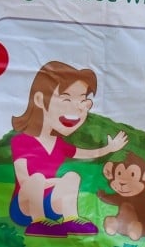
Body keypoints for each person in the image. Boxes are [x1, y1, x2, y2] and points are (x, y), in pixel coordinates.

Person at [9, 61, 128, 237]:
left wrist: (110, 148)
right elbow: (25, 181)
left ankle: (70, 219)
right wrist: (53, 182)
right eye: (66, 99)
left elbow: (87, 154)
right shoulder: (21, 141)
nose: (77, 108)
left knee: (72, 177)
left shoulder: (59, 143)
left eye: (82, 101)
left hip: (50, 203)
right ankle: (38, 223)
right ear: (40, 100)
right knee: (36, 179)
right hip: (24, 205)